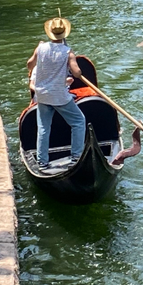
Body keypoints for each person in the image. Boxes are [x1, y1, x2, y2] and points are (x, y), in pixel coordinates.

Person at [26, 16, 85, 171]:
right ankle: (76, 157)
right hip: (59, 96)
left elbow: (29, 64)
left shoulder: (41, 48)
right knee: (79, 121)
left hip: (43, 95)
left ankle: (42, 163)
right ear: (64, 34)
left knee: (44, 128)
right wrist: (72, 61)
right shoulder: (68, 52)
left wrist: (38, 52)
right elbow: (77, 73)